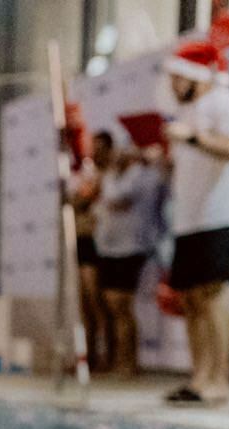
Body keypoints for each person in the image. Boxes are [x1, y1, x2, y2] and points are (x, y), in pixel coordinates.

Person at [162, 41, 229, 406]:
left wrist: (194, 137)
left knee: (214, 298)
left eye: (175, 78)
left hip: (219, 215)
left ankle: (219, 379)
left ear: (193, 76)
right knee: (192, 300)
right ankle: (199, 378)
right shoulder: (189, 112)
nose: (171, 86)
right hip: (188, 219)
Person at [94, 136, 166, 379]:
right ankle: (118, 359)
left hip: (131, 248)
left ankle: (129, 362)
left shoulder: (140, 176)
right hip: (109, 248)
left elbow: (116, 200)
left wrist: (115, 170)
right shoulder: (113, 176)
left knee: (121, 305)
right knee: (112, 307)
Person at [70, 133, 110, 371]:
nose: (94, 152)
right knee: (84, 302)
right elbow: (74, 201)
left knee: (97, 301)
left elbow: (83, 200)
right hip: (81, 239)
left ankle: (106, 354)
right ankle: (89, 356)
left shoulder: (105, 176)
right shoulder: (86, 174)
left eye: (99, 147)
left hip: (97, 241)